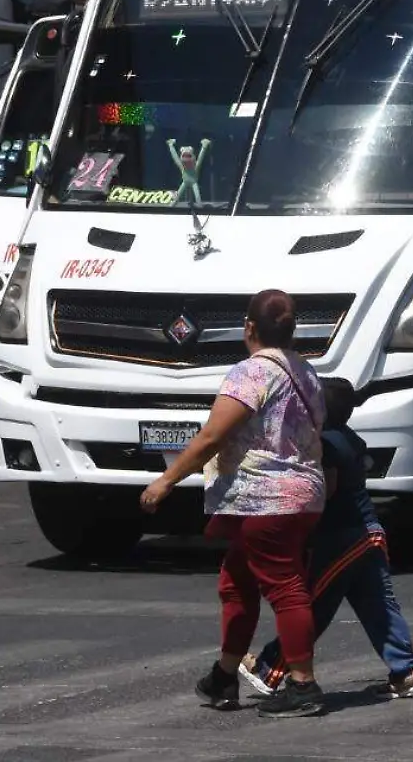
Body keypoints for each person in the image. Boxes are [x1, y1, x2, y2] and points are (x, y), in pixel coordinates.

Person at [141, 289, 329, 718]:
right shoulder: (307, 373)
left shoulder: (250, 374)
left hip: (265, 499)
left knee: (284, 587)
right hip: (301, 496)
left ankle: (303, 683)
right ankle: (224, 676)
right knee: (237, 583)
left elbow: (213, 436)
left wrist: (166, 481)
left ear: (249, 328)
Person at [240, 379, 413, 702]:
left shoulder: (326, 443)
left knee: (313, 604)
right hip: (369, 532)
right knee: (378, 606)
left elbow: (325, 489)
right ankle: (406, 672)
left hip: (343, 537)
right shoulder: (351, 439)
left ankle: (269, 668)